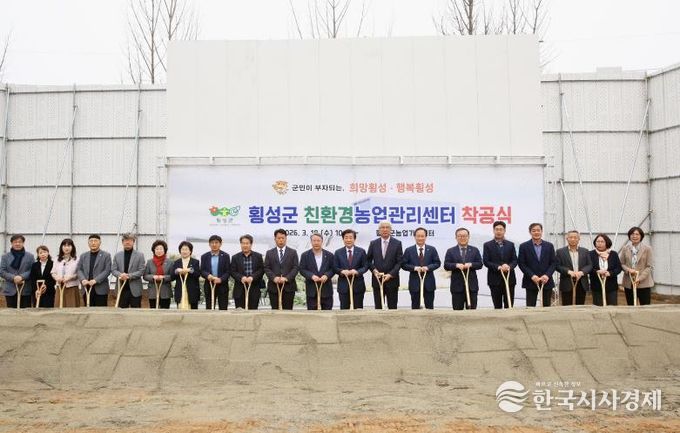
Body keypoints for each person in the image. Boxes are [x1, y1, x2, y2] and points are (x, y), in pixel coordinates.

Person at [518, 223, 557, 307]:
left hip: (546, 281)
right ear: (530, 232)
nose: (536, 232)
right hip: (530, 281)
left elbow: (553, 263)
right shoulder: (524, 246)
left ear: (542, 231)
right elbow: (522, 264)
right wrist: (532, 276)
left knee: (547, 307)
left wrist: (547, 275)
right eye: (534, 231)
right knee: (530, 307)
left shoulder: (549, 246)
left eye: (538, 230)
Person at [366, 221, 403, 309]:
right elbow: (368, 260)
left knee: (392, 308)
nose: (385, 229)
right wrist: (374, 270)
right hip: (377, 280)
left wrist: (390, 274)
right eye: (382, 227)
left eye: (387, 227)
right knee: (378, 308)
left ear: (391, 230)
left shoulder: (397, 243)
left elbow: (399, 262)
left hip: (392, 281)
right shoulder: (373, 243)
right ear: (379, 230)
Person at [401, 227, 441, 309]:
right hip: (414, 284)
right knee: (415, 308)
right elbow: (403, 265)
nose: (420, 238)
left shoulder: (432, 249)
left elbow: (437, 263)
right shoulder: (409, 250)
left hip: (429, 284)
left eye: (422, 236)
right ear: (414, 237)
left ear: (426, 237)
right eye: (418, 236)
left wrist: (428, 267)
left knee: (429, 308)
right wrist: (414, 268)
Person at [444, 227, 483, 310]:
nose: (462, 238)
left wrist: (471, 264)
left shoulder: (474, 250)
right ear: (456, 237)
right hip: (457, 287)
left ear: (468, 237)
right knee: (457, 312)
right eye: (460, 236)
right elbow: (446, 265)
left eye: (465, 236)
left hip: (471, 286)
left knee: (472, 311)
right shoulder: (450, 251)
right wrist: (456, 265)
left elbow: (480, 264)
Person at [482, 221, 518, 309]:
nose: (498, 231)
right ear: (493, 230)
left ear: (504, 231)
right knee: (497, 306)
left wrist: (509, 266)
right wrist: (498, 267)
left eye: (501, 229)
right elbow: (486, 261)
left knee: (509, 305)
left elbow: (515, 260)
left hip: (509, 279)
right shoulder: (487, 245)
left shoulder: (510, 244)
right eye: (496, 229)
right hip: (494, 280)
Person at [264, 229, 299, 310]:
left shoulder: (293, 252)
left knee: (288, 311)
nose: (281, 240)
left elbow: (296, 267)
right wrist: (274, 278)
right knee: (275, 311)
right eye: (278, 238)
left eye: (283, 238)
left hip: (288, 287)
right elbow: (266, 268)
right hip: (274, 287)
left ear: (286, 238)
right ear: (275, 239)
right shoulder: (269, 253)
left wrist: (287, 278)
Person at [333, 229, 368, 309]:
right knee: (344, 310)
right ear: (343, 239)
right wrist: (342, 271)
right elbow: (334, 267)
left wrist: (357, 271)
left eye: (350, 237)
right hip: (343, 286)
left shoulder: (361, 251)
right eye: (346, 237)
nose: (348, 240)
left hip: (358, 286)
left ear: (354, 239)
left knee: (358, 310)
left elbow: (365, 266)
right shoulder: (338, 252)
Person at [299, 233, 335, 310]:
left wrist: (326, 275)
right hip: (312, 291)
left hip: (326, 290)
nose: (316, 243)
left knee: (327, 314)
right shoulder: (305, 255)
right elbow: (302, 269)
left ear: (322, 242)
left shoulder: (329, 255)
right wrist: (311, 276)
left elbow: (333, 269)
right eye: (314, 240)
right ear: (311, 242)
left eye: (318, 240)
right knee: (312, 314)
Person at [555, 230, 592, 306]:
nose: (573, 239)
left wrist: (582, 272)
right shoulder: (560, 252)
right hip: (567, 282)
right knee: (567, 306)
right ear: (567, 238)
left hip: (581, 282)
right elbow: (557, 266)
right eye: (571, 237)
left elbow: (590, 265)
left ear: (579, 239)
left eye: (575, 237)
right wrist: (568, 271)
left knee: (580, 306)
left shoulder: (585, 251)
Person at [620, 226, 654, 306]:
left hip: (644, 283)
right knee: (631, 306)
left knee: (645, 306)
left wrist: (639, 278)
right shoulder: (625, 248)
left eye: (637, 234)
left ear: (641, 236)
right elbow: (621, 263)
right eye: (632, 234)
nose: (634, 236)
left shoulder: (647, 249)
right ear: (629, 236)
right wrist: (628, 270)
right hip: (629, 282)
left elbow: (649, 266)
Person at [230, 234, 265, 309]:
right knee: (240, 313)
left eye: (247, 243)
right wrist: (241, 277)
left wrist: (252, 277)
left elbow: (261, 270)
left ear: (251, 244)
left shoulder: (258, 256)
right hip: (239, 290)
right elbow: (232, 271)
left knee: (253, 312)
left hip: (254, 289)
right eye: (243, 243)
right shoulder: (235, 257)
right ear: (240, 244)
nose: (245, 245)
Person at [111, 233, 146, 308]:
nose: (127, 242)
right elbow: (113, 270)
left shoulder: (140, 255)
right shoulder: (117, 255)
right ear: (122, 242)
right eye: (125, 240)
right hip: (121, 289)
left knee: (136, 312)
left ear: (133, 242)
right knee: (121, 313)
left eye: (130, 240)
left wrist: (129, 276)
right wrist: (120, 275)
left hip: (135, 290)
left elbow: (142, 270)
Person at [0, 235, 34, 308]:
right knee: (11, 312)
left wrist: (21, 277)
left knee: (26, 311)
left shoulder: (30, 256)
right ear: (12, 243)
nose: (17, 244)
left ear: (23, 243)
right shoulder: (5, 257)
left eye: (20, 242)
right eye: (15, 242)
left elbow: (32, 270)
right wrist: (13, 277)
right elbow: (2, 271)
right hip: (10, 289)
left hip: (25, 289)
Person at [589, 233, 622, 307]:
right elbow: (589, 268)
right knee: (598, 307)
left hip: (611, 286)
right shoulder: (591, 254)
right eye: (598, 241)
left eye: (602, 242)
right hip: (596, 285)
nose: (599, 244)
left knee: (612, 307)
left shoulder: (613, 254)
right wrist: (597, 271)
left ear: (607, 243)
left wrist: (610, 273)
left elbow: (618, 268)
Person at [200, 235, 231, 310]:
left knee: (223, 308)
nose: (214, 244)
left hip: (222, 285)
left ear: (220, 244)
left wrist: (221, 279)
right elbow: (202, 270)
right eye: (212, 243)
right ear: (209, 244)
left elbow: (228, 271)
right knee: (209, 307)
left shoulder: (226, 256)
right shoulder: (204, 256)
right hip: (209, 284)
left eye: (216, 242)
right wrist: (208, 276)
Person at [143, 240, 173, 309]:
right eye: (157, 249)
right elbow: (145, 276)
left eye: (161, 249)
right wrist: (153, 277)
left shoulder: (170, 262)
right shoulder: (149, 262)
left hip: (165, 291)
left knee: (165, 311)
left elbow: (172, 276)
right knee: (153, 311)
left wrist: (163, 277)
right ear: (154, 250)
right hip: (153, 291)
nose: (159, 251)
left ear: (164, 250)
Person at [171, 241, 200, 309]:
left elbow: (197, 274)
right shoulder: (177, 262)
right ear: (180, 251)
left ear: (190, 251)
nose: (184, 251)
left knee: (193, 312)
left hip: (192, 291)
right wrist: (176, 271)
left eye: (186, 249)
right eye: (182, 249)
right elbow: (172, 277)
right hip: (180, 291)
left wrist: (190, 270)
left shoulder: (195, 262)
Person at [53, 238, 82, 307]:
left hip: (72, 287)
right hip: (60, 287)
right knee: (59, 307)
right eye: (64, 246)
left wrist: (70, 277)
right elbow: (53, 272)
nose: (66, 248)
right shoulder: (57, 259)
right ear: (61, 247)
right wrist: (57, 278)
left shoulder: (77, 259)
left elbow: (79, 273)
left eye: (69, 246)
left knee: (72, 307)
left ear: (72, 247)